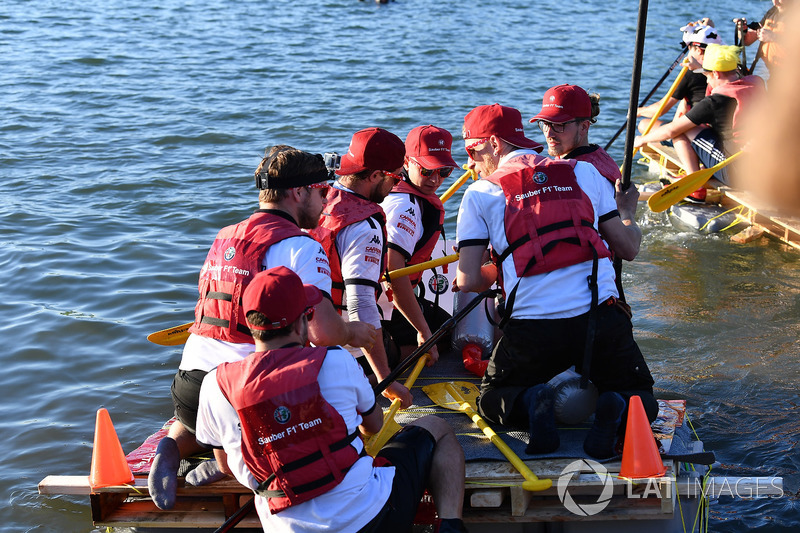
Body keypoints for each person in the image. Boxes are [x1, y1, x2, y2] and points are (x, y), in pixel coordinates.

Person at [148, 146, 378, 510]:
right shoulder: (301, 246)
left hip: (189, 387)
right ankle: (234, 465)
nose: (327, 202)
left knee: (222, 385)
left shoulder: (226, 234)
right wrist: (356, 334)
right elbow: (324, 333)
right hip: (244, 397)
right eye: (322, 192)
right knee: (331, 368)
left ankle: (174, 441)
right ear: (298, 193)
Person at [195, 266, 468, 532]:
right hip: (375, 517)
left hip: (285, 526)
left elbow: (225, 465)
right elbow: (373, 425)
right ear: (302, 320)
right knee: (437, 428)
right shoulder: (336, 360)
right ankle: (451, 527)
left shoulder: (214, 385)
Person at [455, 103, 657, 459]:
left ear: (495, 144)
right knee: (644, 401)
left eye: (472, 151)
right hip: (599, 320)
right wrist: (627, 211)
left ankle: (535, 402)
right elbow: (627, 248)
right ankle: (616, 406)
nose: (471, 162)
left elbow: (469, 279)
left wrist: (502, 270)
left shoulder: (480, 194)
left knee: (491, 399)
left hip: (533, 331)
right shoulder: (585, 173)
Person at [310, 127, 414, 409]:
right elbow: (361, 305)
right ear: (375, 176)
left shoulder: (318, 201)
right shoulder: (364, 227)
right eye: (396, 176)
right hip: (337, 346)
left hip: (300, 337)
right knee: (399, 350)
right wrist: (386, 379)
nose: (399, 185)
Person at [634, 44, 765, 200]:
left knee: (684, 129)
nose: (707, 80)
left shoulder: (714, 102)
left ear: (715, 74)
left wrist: (642, 139)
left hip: (735, 173)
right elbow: (724, 78)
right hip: (761, 165)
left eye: (707, 75)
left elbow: (671, 130)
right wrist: (699, 67)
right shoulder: (756, 83)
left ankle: (694, 187)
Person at [380, 125, 458, 364]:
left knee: (447, 327)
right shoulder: (405, 208)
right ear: (406, 161)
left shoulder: (395, 189)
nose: (435, 180)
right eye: (426, 170)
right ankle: (378, 370)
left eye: (443, 171)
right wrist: (423, 331)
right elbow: (395, 273)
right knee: (444, 339)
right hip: (382, 301)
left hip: (383, 296)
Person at [636, 24, 723, 134]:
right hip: (719, 126)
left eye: (689, 47)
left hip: (698, 130)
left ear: (699, 51)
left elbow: (661, 109)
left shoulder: (691, 72)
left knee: (643, 124)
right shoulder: (727, 69)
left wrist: (638, 112)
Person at [529, 84, 620, 188]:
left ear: (584, 127)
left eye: (559, 125)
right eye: (545, 123)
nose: (548, 134)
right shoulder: (599, 155)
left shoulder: (582, 177)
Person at [734, 0, 791, 77]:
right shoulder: (773, 11)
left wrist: (773, 37)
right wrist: (742, 30)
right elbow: (748, 40)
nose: (775, 3)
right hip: (775, 74)